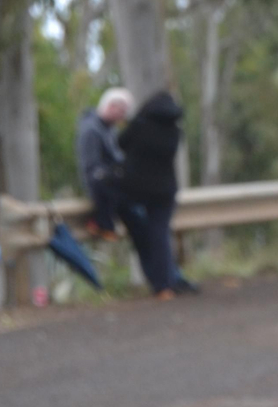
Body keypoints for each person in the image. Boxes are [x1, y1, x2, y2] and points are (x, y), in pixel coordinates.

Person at [115, 89, 197, 298]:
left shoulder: (140, 126)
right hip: (166, 191)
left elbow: (120, 143)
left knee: (145, 234)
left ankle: (160, 282)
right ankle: (167, 282)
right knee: (160, 235)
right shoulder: (174, 132)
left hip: (137, 190)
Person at [74, 87, 133, 240]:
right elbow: (92, 169)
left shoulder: (109, 129)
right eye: (122, 111)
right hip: (101, 186)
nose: (123, 116)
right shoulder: (91, 130)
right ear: (111, 106)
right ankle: (102, 223)